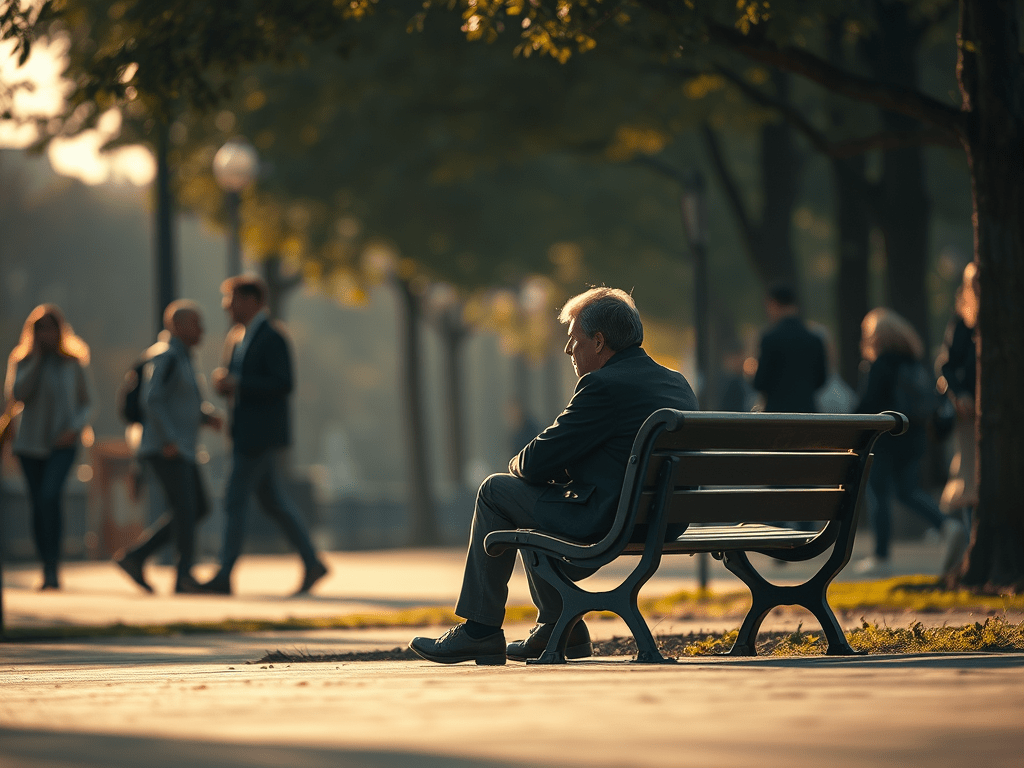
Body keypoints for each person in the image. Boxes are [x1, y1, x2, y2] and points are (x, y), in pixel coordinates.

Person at [409, 287, 698, 665]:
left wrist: (532, 468)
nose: (567, 351)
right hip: (663, 519)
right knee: (535, 501)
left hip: (608, 519)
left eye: (573, 340)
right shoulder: (675, 382)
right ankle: (561, 627)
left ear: (598, 341)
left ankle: (480, 630)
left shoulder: (602, 386)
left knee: (498, 491)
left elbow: (532, 463)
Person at [202, 276, 328, 596]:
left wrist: (238, 383)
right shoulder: (237, 337)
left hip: (261, 435)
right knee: (272, 501)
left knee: (234, 497)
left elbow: (284, 383)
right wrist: (226, 385)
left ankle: (225, 572)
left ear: (251, 301)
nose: (226, 308)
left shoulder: (273, 336)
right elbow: (237, 379)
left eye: (231, 301)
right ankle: (312, 561)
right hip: (246, 432)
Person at [114, 301, 223, 594]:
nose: (202, 329)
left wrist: (205, 416)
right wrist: (169, 439)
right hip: (165, 447)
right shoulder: (166, 357)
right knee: (187, 508)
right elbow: (153, 400)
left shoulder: (185, 357)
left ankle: (137, 557)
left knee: (198, 507)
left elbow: (182, 402)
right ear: (176, 325)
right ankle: (183, 575)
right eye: (195, 323)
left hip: (184, 447)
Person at [853, 308, 965, 576]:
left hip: (884, 438)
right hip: (913, 437)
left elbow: (869, 404)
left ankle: (881, 557)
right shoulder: (915, 364)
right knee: (907, 490)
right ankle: (946, 525)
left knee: (878, 495)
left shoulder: (880, 365)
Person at [4, 305, 91, 590]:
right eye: (40, 329)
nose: (46, 334)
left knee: (50, 496)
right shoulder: (23, 360)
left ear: (60, 330)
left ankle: (53, 565)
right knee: (38, 503)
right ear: (33, 333)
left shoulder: (73, 362)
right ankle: (46, 565)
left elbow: (88, 402)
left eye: (50, 329)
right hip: (30, 444)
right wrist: (37, 361)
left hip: (63, 443)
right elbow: (17, 395)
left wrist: (74, 428)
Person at [936, 263, 979, 536]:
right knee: (970, 479)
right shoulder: (963, 322)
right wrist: (959, 394)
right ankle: (971, 538)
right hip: (970, 412)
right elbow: (947, 365)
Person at [753, 283, 827, 413]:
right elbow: (822, 379)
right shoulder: (815, 339)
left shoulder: (770, 339)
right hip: (807, 412)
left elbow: (760, 382)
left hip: (777, 413)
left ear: (773, 304)